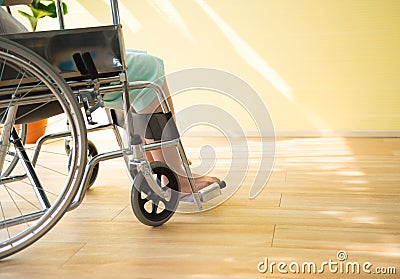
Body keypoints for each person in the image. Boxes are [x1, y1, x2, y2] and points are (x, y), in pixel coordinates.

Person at [0, 3, 221, 195]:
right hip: (30, 78)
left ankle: (157, 157)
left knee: (136, 57)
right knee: (148, 68)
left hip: (22, 74)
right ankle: (173, 174)